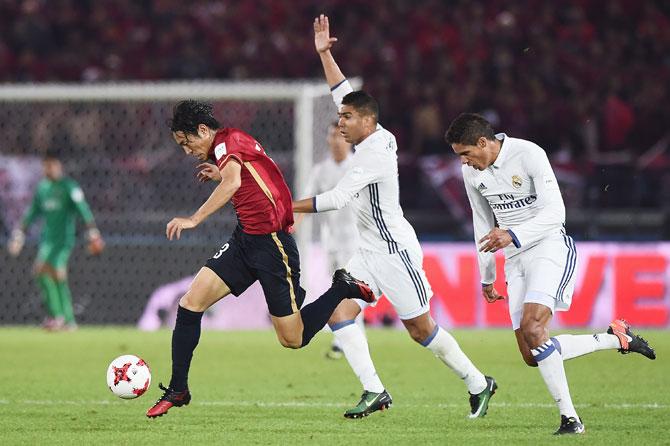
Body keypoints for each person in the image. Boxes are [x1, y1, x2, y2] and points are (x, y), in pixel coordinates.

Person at [292, 15, 497, 419]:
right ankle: (374, 391)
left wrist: (285, 205)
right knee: (340, 312)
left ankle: (478, 382)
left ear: (366, 121)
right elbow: (343, 93)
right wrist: (325, 54)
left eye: (346, 120)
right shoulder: (369, 128)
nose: (341, 126)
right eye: (340, 120)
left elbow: (336, 198)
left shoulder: (373, 154)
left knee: (420, 330)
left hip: (395, 252)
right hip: (367, 251)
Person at [145, 100, 375, 418]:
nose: (187, 151)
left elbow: (235, 182)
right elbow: (251, 175)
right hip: (244, 241)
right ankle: (178, 389)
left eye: (187, 143)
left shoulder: (229, 141)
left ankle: (340, 287)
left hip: (273, 246)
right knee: (189, 303)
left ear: (202, 130)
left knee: (292, 338)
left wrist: (194, 218)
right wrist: (220, 171)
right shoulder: (227, 149)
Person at [445, 112, 656, 435]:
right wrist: (487, 275)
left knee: (533, 327)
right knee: (532, 354)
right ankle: (615, 339)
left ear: (483, 142)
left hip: (548, 247)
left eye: (466, 153)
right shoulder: (471, 173)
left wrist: (514, 234)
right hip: (514, 260)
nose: (464, 162)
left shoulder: (528, 154)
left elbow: (556, 212)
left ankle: (570, 419)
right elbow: (482, 224)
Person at [7, 150, 104, 330]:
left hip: (63, 240)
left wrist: (93, 232)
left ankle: (58, 316)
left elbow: (83, 209)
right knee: (55, 276)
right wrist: (19, 234)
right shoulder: (42, 188)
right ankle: (66, 320)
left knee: (42, 271)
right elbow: (32, 212)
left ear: (59, 166)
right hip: (47, 240)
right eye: (47, 165)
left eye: (52, 165)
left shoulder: (69, 187)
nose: (49, 169)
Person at [302, 122, 365, 360]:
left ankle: (343, 341)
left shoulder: (359, 168)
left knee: (350, 292)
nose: (336, 140)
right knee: (345, 292)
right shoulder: (321, 171)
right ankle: (348, 339)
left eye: (340, 135)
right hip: (332, 243)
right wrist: (293, 224)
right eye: (332, 135)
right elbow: (306, 201)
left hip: (358, 242)